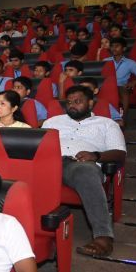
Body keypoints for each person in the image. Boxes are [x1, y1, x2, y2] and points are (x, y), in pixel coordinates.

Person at [43, 86, 126, 257]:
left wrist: (95, 155)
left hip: (79, 164)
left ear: (90, 103)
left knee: (86, 172)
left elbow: (120, 153)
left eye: (77, 101)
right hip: (48, 163)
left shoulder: (107, 124)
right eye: (69, 102)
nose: (72, 105)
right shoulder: (52, 122)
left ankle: (103, 238)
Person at [105, 37, 136, 123]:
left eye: (117, 46)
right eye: (112, 46)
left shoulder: (130, 63)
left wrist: (134, 82)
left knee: (123, 90)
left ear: (124, 48)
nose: (114, 48)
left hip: (121, 86)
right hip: (106, 86)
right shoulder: (105, 61)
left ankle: (123, 118)